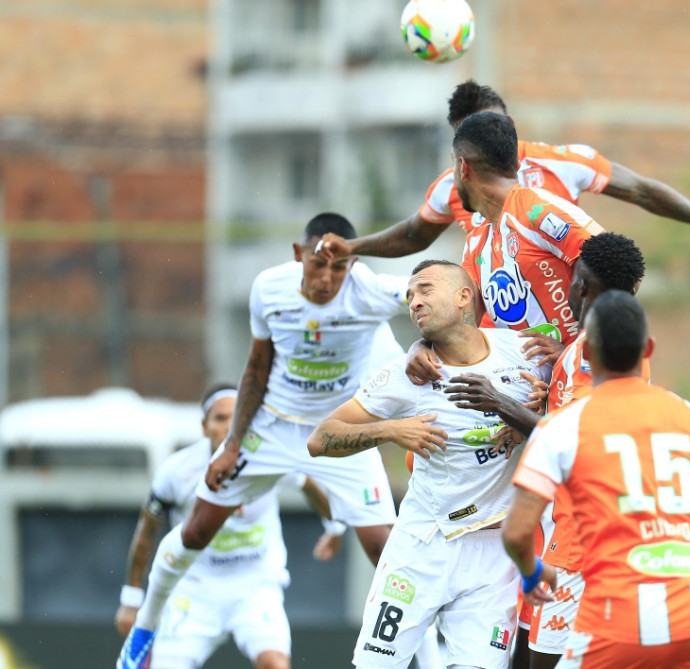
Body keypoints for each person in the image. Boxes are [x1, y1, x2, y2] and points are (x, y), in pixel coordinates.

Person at [117, 213, 408, 669]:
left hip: (337, 433)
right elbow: (256, 367)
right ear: (298, 254)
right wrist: (233, 443)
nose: (327, 279)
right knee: (193, 530)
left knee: (385, 552)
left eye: (340, 268)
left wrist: (434, 345)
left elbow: (435, 291)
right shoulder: (268, 288)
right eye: (318, 265)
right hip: (272, 429)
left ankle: (431, 654)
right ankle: (144, 632)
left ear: (354, 264)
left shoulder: (372, 291)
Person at [503, 291, 690, 668]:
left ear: (587, 354)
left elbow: (516, 533)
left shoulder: (562, 427)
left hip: (618, 617)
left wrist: (531, 575)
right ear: (649, 348)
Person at [307, 260, 553, 669]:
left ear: (463, 296)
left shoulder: (524, 353)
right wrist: (391, 430)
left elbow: (572, 418)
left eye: (425, 290)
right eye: (409, 297)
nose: (414, 302)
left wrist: (533, 414)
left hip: (495, 555)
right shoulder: (409, 376)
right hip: (422, 545)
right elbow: (320, 439)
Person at [314, 79, 690, 265]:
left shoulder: (563, 162)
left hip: (564, 324)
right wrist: (354, 247)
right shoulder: (450, 187)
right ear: (460, 150)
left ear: (512, 124)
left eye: (496, 125)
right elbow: (413, 236)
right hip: (497, 332)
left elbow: (642, 191)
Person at [446, 232, 647, 668]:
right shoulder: (600, 346)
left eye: (578, 282)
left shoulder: (594, 352)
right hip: (570, 532)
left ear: (583, 286)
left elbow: (577, 441)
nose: (571, 291)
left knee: (538, 662)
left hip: (578, 541)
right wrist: (558, 365)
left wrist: (498, 402)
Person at [114, 382, 340, 669]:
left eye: (236, 417)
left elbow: (309, 485)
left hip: (255, 586)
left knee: (275, 663)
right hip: (193, 590)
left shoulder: (270, 458)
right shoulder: (177, 471)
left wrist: (335, 529)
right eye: (220, 418)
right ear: (203, 425)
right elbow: (147, 530)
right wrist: (131, 598)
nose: (228, 426)